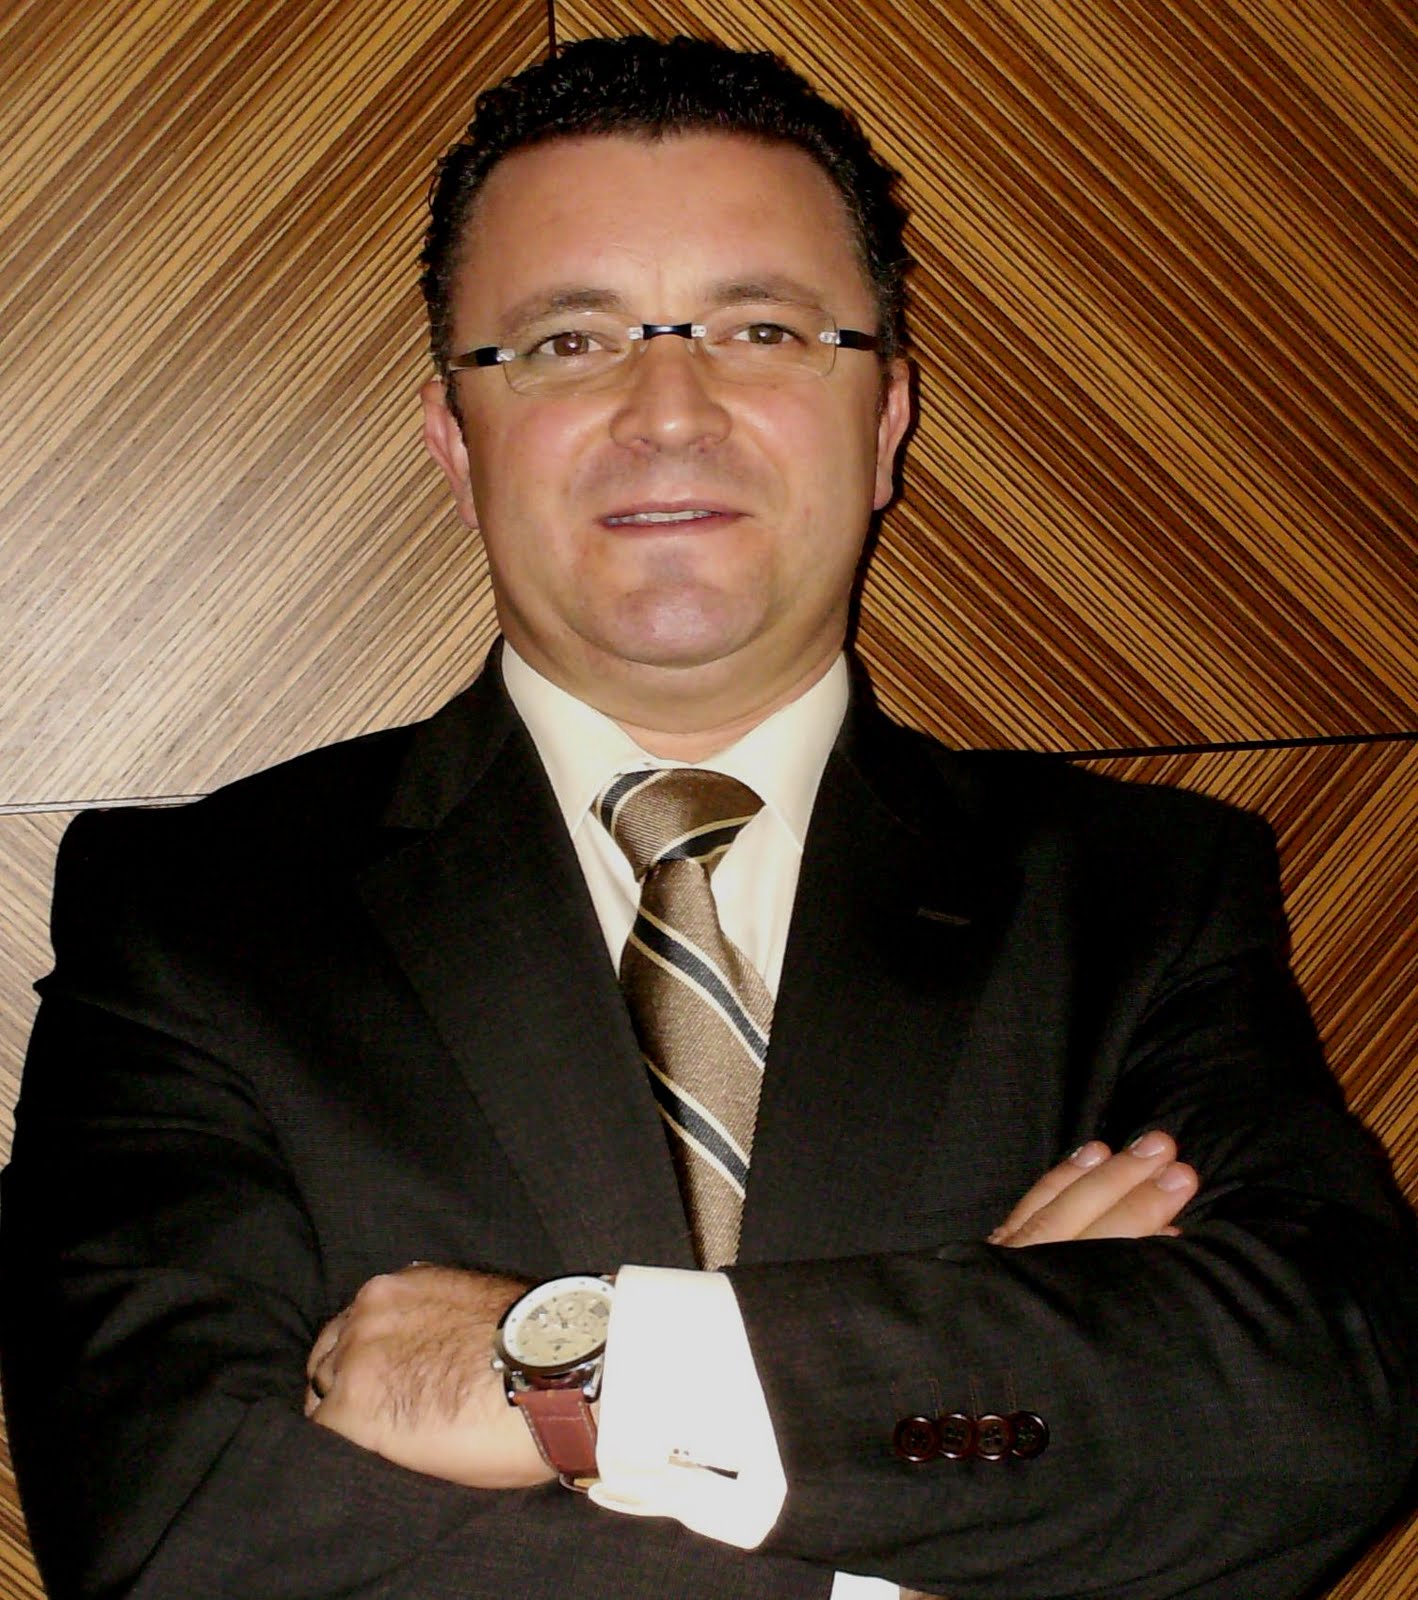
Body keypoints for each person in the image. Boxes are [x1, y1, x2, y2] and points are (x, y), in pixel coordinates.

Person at [3, 33, 1416, 1600]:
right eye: (565, 343)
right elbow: (178, 1533)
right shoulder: (197, 914)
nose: (667, 410)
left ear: (883, 422)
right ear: (453, 443)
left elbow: (1325, 1399)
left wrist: (591, 1375)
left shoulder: (1139, 895)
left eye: (763, 330)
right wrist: (960, 1457)